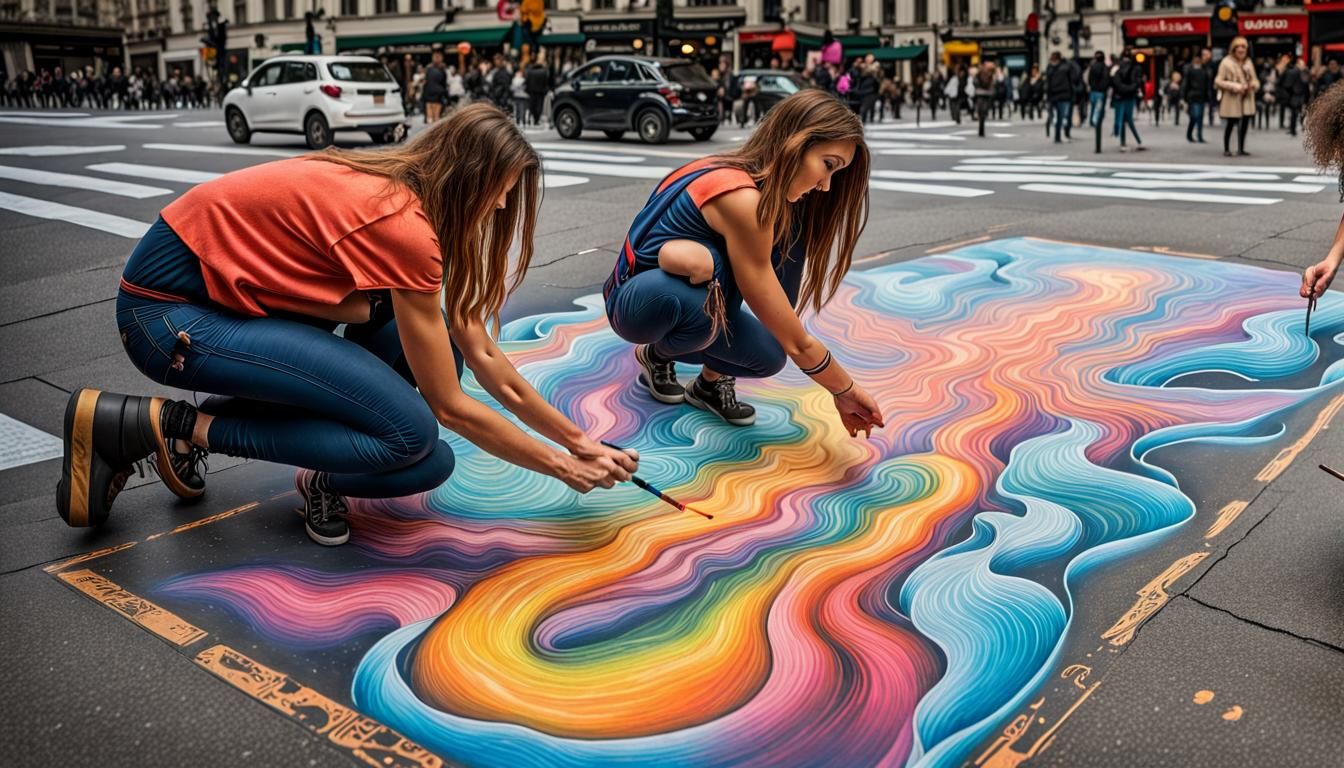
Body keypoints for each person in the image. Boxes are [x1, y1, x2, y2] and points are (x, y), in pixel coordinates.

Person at [59, 104, 637, 543]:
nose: (504, 206)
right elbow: (450, 408)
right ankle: (169, 426)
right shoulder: (403, 225)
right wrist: (561, 467)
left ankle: (295, 468)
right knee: (411, 433)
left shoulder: (404, 192)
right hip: (164, 316)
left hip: (224, 306)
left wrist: (581, 441)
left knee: (431, 439)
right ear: (471, 178)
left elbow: (483, 354)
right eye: (503, 192)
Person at [602, 90, 883, 438]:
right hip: (636, 304)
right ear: (795, 143)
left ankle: (709, 383)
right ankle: (656, 356)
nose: (826, 186)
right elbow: (797, 343)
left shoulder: (761, 192)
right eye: (828, 164)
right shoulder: (741, 199)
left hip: (686, 291)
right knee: (698, 308)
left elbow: (781, 317)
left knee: (769, 354)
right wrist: (844, 389)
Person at [1216, 36, 1259, 157]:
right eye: (1238, 47)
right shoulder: (1226, 62)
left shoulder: (1248, 62)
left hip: (1246, 97)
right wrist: (1233, 86)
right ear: (1233, 49)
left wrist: (1253, 85)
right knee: (1230, 124)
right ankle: (1227, 148)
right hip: (1232, 98)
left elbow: (1255, 79)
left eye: (1244, 47)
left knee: (1245, 124)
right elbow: (1218, 81)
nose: (1241, 50)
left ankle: (1241, 148)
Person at [1111, 49, 1145, 152]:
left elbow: (1115, 83)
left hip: (1120, 96)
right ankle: (1138, 142)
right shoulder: (1135, 68)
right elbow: (1137, 83)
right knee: (1128, 119)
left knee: (1121, 119)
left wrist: (1122, 89)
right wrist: (1131, 89)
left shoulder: (1116, 68)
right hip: (1130, 96)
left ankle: (1123, 142)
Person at [1045, 52, 1079, 143]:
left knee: (1060, 117)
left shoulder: (1053, 68)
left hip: (1059, 96)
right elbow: (1075, 77)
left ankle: (1059, 136)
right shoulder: (1065, 67)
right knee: (1062, 117)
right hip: (1062, 95)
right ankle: (1061, 135)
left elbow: (1048, 84)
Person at [1182, 49, 1212, 143]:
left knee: (1199, 117)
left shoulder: (1205, 69)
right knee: (1195, 116)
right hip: (1193, 96)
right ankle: (1192, 134)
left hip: (1201, 96)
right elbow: (1185, 84)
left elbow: (1208, 83)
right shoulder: (1189, 69)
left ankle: (1198, 135)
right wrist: (1183, 97)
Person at [1283, 58, 1309, 137]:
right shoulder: (1300, 72)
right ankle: (1295, 129)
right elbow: (1305, 82)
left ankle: (1293, 129)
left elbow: (1287, 84)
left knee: (1295, 113)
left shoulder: (1294, 72)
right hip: (1297, 94)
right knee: (1297, 112)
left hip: (1296, 94)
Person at [1085, 51, 1109, 131]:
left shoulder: (1093, 67)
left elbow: (1089, 79)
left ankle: (1092, 121)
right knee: (1098, 108)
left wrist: (1091, 86)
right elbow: (1106, 79)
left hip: (1093, 90)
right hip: (1101, 91)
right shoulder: (1104, 67)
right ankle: (1096, 121)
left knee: (1093, 106)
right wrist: (1105, 88)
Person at [421, 49, 447, 123]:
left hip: (436, 94)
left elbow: (444, 82)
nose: (437, 58)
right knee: (432, 117)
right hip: (431, 93)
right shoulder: (429, 69)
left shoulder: (442, 69)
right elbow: (425, 81)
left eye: (438, 56)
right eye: (435, 56)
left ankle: (433, 126)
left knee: (435, 117)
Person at [973, 60, 996, 138]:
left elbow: (975, 82)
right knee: (982, 111)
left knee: (982, 111)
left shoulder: (987, 72)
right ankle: (981, 129)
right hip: (984, 93)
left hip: (982, 93)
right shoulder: (987, 72)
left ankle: (981, 128)